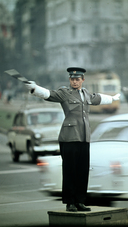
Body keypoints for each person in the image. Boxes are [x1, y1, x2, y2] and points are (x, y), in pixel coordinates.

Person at [25, 67, 120, 212]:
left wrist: (112, 98)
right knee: (70, 171)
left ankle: (80, 201)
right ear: (70, 80)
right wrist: (35, 88)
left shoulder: (86, 94)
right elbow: (49, 94)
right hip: (69, 137)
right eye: (72, 79)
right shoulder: (64, 93)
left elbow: (97, 98)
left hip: (84, 137)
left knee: (82, 171)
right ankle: (70, 202)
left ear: (82, 80)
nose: (75, 82)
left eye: (77, 79)